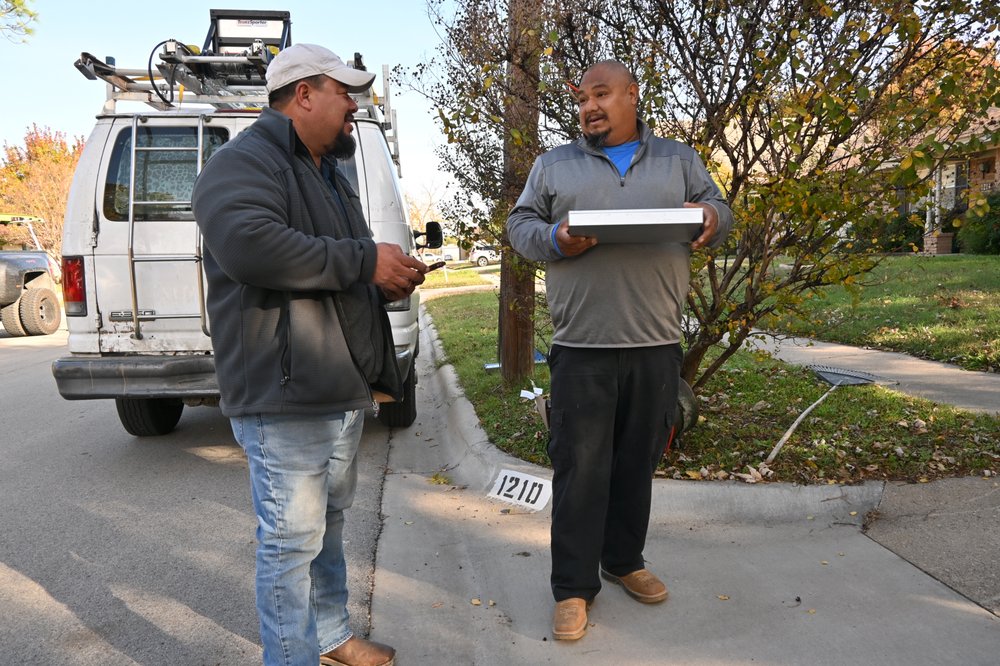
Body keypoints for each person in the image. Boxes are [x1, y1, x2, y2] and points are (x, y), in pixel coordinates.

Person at [192, 43, 429, 666]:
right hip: (285, 395)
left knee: (325, 530)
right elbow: (251, 246)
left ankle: (331, 637)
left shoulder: (328, 171)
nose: (353, 105)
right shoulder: (243, 162)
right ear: (303, 95)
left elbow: (344, 268)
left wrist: (387, 271)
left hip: (335, 388)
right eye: (342, 92)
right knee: (290, 545)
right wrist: (362, 260)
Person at [506, 59, 733, 641]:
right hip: (581, 347)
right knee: (580, 471)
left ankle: (624, 560)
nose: (589, 107)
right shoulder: (554, 165)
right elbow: (521, 225)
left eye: (601, 94)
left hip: (657, 344)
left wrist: (710, 216)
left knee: (638, 463)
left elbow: (720, 211)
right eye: (583, 98)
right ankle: (573, 588)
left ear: (633, 95)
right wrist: (555, 237)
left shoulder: (679, 161)